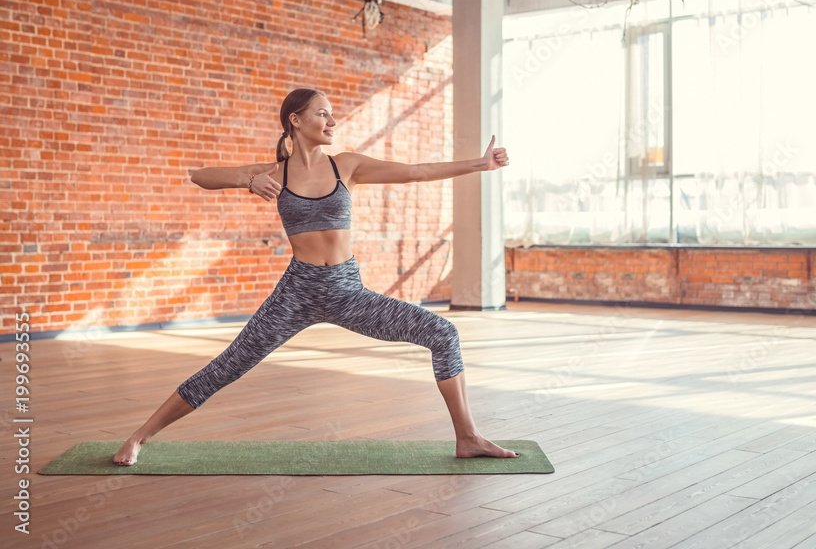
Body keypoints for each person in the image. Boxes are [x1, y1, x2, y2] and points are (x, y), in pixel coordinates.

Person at [113, 88, 517, 465]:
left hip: (347, 291)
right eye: (322, 113)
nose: (332, 121)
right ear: (295, 120)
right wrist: (248, 179)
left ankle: (468, 437)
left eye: (332, 114)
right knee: (229, 365)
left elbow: (416, 172)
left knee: (442, 333)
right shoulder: (276, 172)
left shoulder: (347, 166)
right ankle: (140, 436)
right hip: (297, 292)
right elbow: (199, 175)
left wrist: (480, 164)